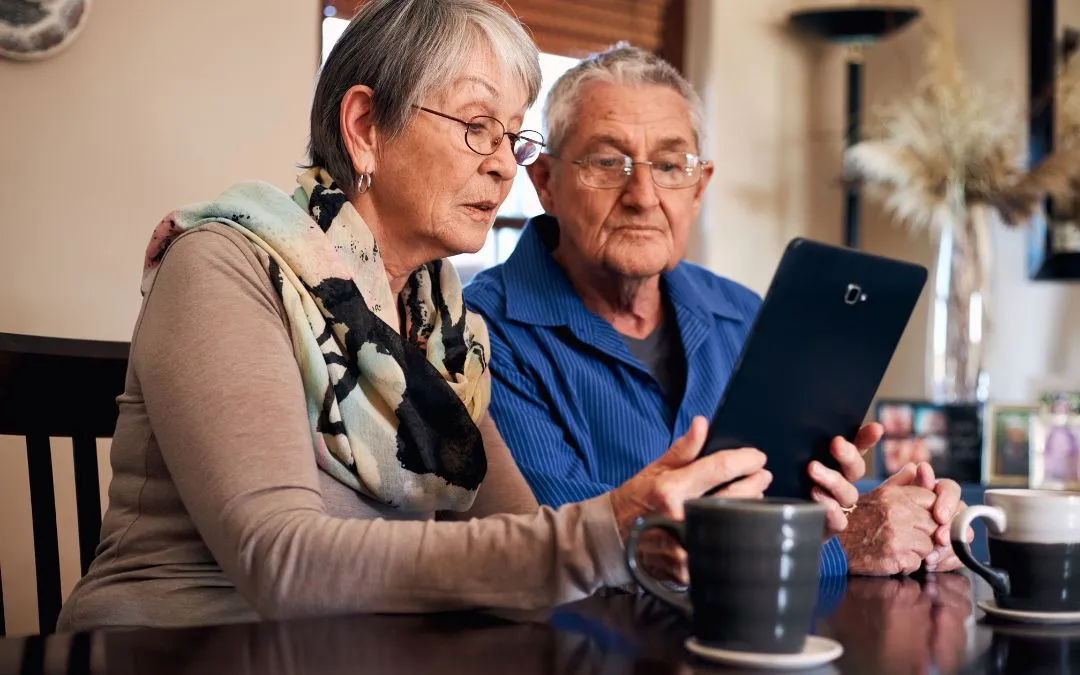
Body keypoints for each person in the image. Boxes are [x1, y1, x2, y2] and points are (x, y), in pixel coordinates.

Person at [54, 0, 858, 632]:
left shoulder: (443, 327)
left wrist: (679, 534)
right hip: (178, 646)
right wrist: (606, 529)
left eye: (512, 135)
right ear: (365, 127)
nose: (505, 164)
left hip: (366, 647)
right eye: (477, 126)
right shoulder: (225, 264)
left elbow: (528, 541)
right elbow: (280, 560)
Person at [464, 44, 966, 578]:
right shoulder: (477, 331)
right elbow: (564, 546)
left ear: (699, 187)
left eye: (670, 165)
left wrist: (897, 516)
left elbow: (796, 499)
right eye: (608, 162)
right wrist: (841, 544)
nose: (642, 195)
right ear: (545, 183)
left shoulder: (743, 314)